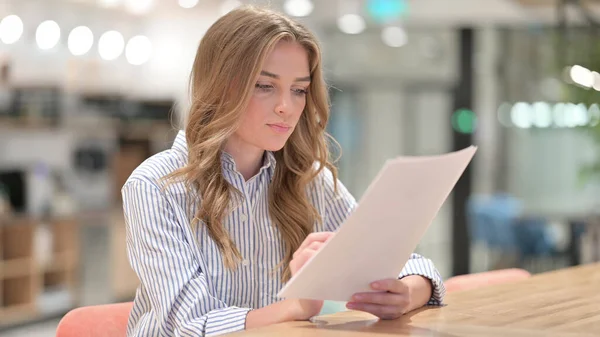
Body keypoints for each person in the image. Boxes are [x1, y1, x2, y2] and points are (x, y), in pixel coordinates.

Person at [121, 5, 445, 337]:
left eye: (299, 90)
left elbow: (409, 263)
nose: (286, 107)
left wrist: (405, 293)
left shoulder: (307, 179)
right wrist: (297, 305)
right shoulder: (155, 186)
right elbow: (187, 324)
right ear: (220, 85)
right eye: (265, 86)